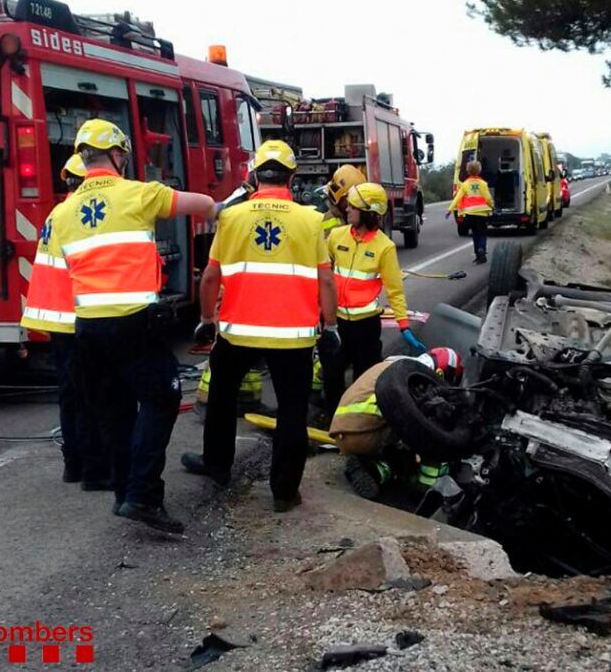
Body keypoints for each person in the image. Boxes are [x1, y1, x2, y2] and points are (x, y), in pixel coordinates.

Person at [49, 119, 218, 534]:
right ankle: (143, 494)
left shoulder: (62, 211)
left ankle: (125, 494)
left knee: (115, 412)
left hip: (86, 329)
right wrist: (218, 207)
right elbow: (201, 205)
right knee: (161, 399)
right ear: (118, 155)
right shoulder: (140, 193)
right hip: (133, 322)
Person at [181, 140, 339, 512]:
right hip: (293, 339)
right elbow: (327, 282)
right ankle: (284, 492)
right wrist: (329, 326)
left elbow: (209, 277)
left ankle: (217, 466)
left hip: (238, 333)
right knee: (291, 412)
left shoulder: (231, 218)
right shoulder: (311, 220)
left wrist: (207, 320)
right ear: (291, 176)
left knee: (220, 400)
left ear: (253, 175)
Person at [21, 154, 111, 489]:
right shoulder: (80, 216)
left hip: (56, 317)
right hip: (76, 317)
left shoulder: (59, 212)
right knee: (91, 396)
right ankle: (93, 470)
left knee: (70, 395)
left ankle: (73, 464)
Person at [322, 182, 425, 417]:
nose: (347, 210)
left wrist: (403, 325)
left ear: (369, 213)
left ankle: (360, 424)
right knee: (332, 376)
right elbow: (322, 276)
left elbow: (395, 290)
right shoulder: (336, 236)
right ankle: (333, 424)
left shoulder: (384, 247)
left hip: (365, 327)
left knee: (364, 379)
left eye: (353, 207)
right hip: (335, 322)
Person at [329, 347, 463, 499]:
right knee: (434, 434)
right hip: (368, 434)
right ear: (442, 373)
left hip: (343, 433)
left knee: (406, 459)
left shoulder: (399, 365)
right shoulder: (418, 382)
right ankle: (429, 488)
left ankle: (371, 469)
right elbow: (428, 431)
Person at [446, 159, 494, 264]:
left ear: (468, 171)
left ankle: (477, 253)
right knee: (482, 233)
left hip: (470, 214)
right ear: (479, 170)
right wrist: (492, 206)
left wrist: (450, 210)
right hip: (481, 214)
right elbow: (487, 198)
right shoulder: (483, 184)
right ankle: (482, 249)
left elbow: (457, 198)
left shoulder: (465, 184)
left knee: (475, 234)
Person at [320, 164, 366, 236]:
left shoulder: (343, 212)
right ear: (339, 197)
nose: (356, 202)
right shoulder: (329, 219)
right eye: (351, 198)